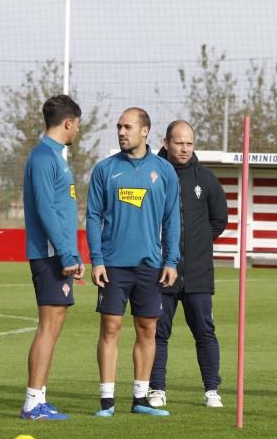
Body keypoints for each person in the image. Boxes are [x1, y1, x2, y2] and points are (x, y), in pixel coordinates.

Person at [86, 107, 180, 417]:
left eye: (127, 127)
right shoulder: (104, 169)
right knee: (110, 329)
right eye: (118, 127)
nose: (121, 132)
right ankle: (107, 401)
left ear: (145, 132)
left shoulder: (164, 171)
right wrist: (96, 259)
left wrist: (171, 260)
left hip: (150, 265)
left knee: (147, 329)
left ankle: (140, 400)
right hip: (113, 264)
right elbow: (93, 215)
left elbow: (171, 219)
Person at [149, 120, 228, 409]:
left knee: (205, 331)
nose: (184, 148)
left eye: (189, 143)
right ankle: (156, 389)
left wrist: (196, 243)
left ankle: (211, 390)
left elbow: (220, 219)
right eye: (179, 142)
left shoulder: (205, 179)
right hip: (160, 271)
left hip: (198, 272)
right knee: (158, 332)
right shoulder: (151, 172)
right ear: (167, 142)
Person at [20, 94, 84, 420]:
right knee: (48, 326)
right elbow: (46, 211)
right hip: (49, 256)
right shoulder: (45, 157)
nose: (78, 131)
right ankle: (32, 402)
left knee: (54, 325)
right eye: (77, 125)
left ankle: (39, 397)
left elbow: (60, 210)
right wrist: (64, 254)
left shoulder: (56, 157)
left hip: (59, 254)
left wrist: (72, 253)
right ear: (68, 122)